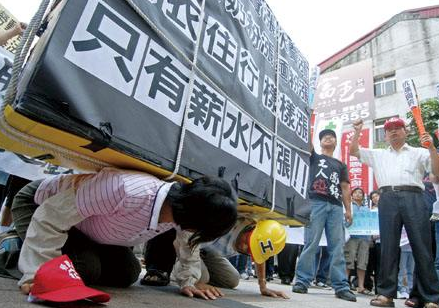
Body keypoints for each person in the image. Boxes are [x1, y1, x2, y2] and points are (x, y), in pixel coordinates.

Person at [10, 167, 238, 294]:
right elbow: (51, 216)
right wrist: (37, 273)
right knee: (84, 268)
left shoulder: (183, 210)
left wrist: (189, 281)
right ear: (194, 223)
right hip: (41, 205)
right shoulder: (127, 190)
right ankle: (11, 249)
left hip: (86, 227)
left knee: (127, 272)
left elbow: (188, 244)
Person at [350, 117, 439, 308]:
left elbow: (436, 172)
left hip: (414, 197)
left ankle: (431, 297)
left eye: (398, 128)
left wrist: (432, 148)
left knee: (422, 248)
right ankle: (386, 295)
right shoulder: (378, 154)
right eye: (389, 129)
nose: (394, 132)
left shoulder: (419, 152)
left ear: (406, 132)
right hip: (387, 198)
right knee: (388, 247)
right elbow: (353, 151)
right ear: (385, 134)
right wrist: (357, 131)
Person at [292, 129, 356, 302]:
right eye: (324, 137)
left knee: (337, 247)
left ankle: (341, 286)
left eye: (331, 136)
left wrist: (348, 209)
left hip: (335, 207)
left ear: (336, 142)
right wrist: (308, 117)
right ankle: (302, 281)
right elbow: (306, 142)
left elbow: (344, 187)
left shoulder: (340, 164)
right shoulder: (314, 157)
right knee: (311, 243)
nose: (328, 137)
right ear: (319, 143)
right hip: (315, 203)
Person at [172, 219, 289, 300]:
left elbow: (260, 256)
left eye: (251, 250)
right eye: (247, 242)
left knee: (232, 279)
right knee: (202, 277)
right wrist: (191, 281)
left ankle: (198, 269)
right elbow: (186, 238)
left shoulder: (257, 236)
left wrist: (263, 286)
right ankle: (173, 266)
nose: (244, 248)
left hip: (207, 250)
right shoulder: (225, 221)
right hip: (188, 243)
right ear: (251, 228)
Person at [344, 187, 371, 294]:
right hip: (351, 237)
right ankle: (344, 283)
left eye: (361, 193)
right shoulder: (349, 207)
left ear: (363, 196)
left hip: (364, 238)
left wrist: (370, 238)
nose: (358, 194)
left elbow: (370, 223)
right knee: (348, 260)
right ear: (352, 195)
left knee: (362, 262)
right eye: (356, 192)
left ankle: (361, 286)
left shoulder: (367, 209)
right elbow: (345, 221)